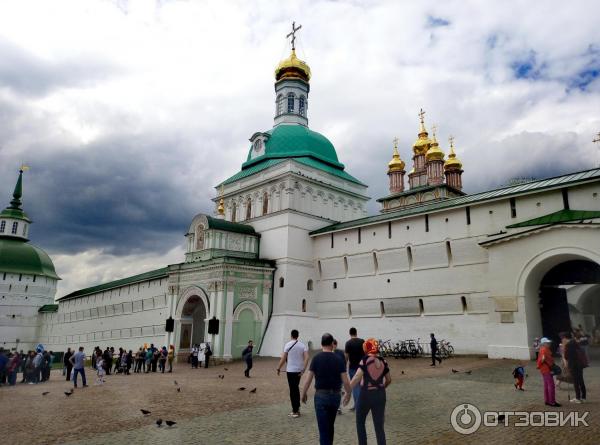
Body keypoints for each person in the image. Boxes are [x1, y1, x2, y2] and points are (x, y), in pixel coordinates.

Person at [302, 333, 352, 445]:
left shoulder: (316, 358)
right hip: (335, 396)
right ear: (332, 344)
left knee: (323, 429)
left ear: (321, 344)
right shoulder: (339, 359)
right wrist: (348, 393)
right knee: (330, 426)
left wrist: (303, 393)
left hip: (321, 396)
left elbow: (308, 379)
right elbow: (345, 380)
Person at [345, 338, 391, 445]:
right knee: (379, 426)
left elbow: (356, 377)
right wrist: (382, 387)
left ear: (366, 348)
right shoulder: (383, 361)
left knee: (360, 423)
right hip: (380, 395)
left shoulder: (365, 360)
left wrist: (348, 391)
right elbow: (389, 380)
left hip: (365, 395)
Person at [276, 329, 309, 418]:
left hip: (290, 370)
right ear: (298, 336)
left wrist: (278, 368)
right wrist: (303, 369)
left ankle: (295, 410)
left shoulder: (287, 344)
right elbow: (307, 357)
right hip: (298, 370)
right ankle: (296, 408)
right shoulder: (302, 345)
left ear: (291, 336)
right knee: (295, 388)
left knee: (293, 390)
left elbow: (283, 358)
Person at [563, 331, 587, 403]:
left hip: (573, 365)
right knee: (581, 380)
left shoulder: (568, 345)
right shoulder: (576, 343)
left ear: (565, 338)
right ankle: (583, 397)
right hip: (580, 364)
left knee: (576, 382)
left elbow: (566, 356)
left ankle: (578, 398)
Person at [345, 327, 364, 411]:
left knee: (355, 387)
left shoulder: (348, 343)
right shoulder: (362, 341)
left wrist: (344, 365)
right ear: (356, 333)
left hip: (353, 367)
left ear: (350, 333)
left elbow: (346, 356)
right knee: (361, 385)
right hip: (362, 367)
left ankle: (357, 405)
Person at [536, 337, 560, 407]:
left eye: (549, 343)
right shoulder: (544, 350)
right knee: (551, 385)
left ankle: (547, 400)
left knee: (546, 385)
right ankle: (552, 401)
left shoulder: (543, 349)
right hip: (547, 369)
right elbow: (542, 359)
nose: (549, 344)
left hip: (544, 369)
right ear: (544, 343)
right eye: (547, 343)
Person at [332, 339, 346, 415]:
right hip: (331, 375)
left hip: (338, 375)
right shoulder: (328, 353)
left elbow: (344, 363)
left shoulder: (340, 353)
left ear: (336, 345)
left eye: (334, 344)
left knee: (338, 391)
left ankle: (338, 408)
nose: (332, 346)